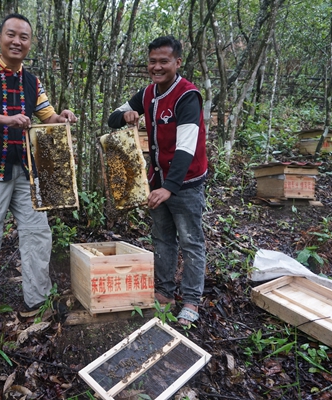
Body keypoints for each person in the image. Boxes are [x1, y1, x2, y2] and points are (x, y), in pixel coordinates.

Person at [0, 13, 78, 338]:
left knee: (38, 233)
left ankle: (38, 300)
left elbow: (47, 115)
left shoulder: (32, 81)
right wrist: (6, 119)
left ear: (29, 42)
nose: (17, 41)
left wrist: (61, 116)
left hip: (25, 170)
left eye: (23, 37)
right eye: (11, 34)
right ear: (0, 37)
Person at [108, 36, 207, 327]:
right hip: (158, 179)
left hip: (185, 183)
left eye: (164, 61)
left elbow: (186, 148)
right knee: (162, 238)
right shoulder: (148, 93)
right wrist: (125, 114)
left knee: (190, 242)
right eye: (153, 61)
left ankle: (191, 301)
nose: (157, 66)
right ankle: (164, 292)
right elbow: (114, 118)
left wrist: (169, 188)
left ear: (177, 62)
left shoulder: (188, 96)